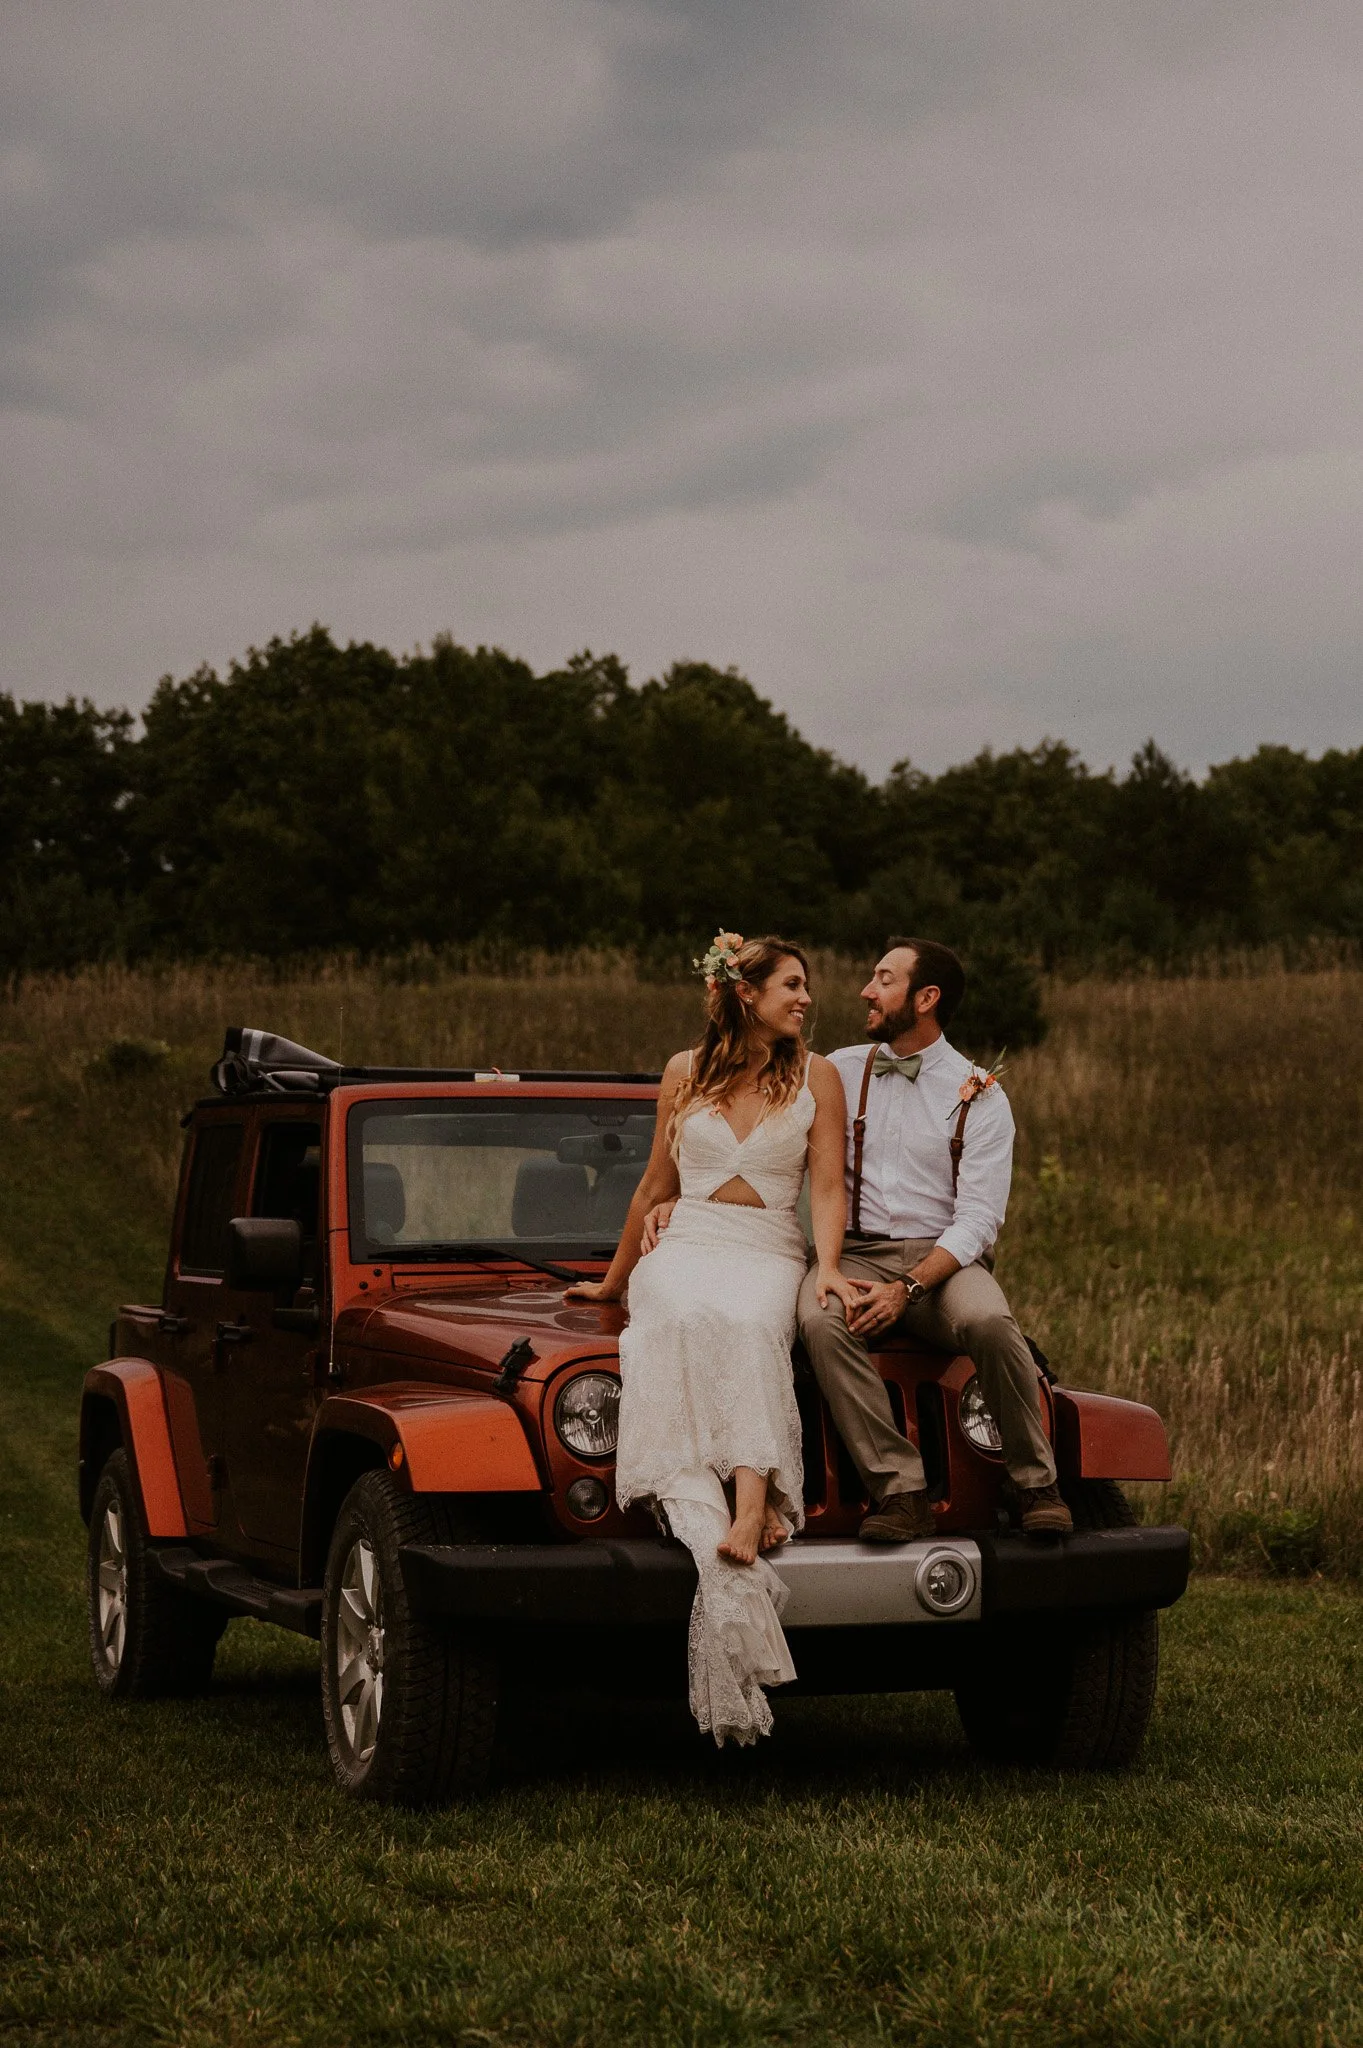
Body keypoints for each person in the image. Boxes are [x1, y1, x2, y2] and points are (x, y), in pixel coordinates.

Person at [566, 933, 858, 1746]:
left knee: (742, 1320)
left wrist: (826, 1266)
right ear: (744, 992)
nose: (805, 999)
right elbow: (655, 1188)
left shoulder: (817, 1075)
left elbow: (828, 1186)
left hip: (766, 1246)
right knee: (675, 1312)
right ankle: (724, 1504)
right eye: (792, 985)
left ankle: (755, 1500)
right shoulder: (680, 1073)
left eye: (807, 986)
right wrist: (614, 1280)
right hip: (685, 1239)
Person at [797, 938, 1071, 1540]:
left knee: (992, 1324)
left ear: (926, 998)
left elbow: (977, 1221)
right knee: (819, 1324)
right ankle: (901, 1491)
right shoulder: (837, 1070)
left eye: (883, 979)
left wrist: (907, 1288)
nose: (867, 991)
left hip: (942, 1259)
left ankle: (1035, 1483)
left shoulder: (982, 1094)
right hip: (854, 1252)